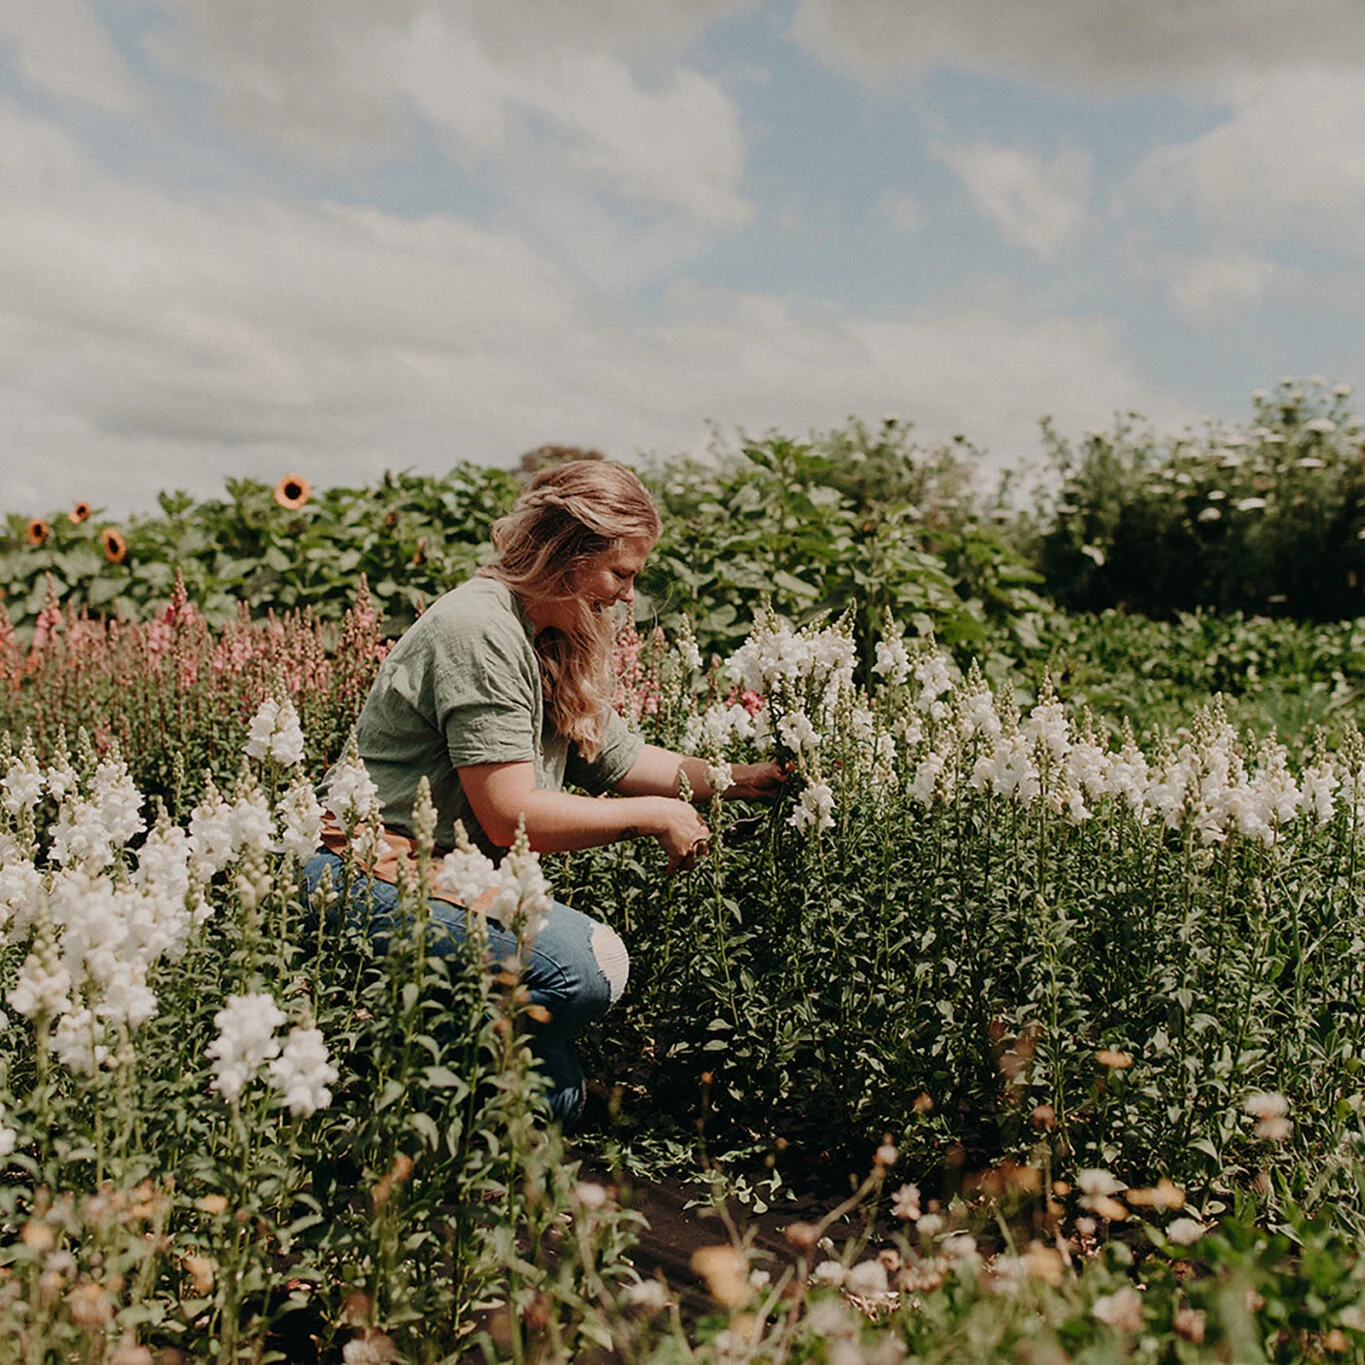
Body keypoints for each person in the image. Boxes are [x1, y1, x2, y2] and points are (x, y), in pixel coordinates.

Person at [302, 460, 785, 1126]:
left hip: (451, 876)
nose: (626, 598)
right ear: (565, 551)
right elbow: (509, 816)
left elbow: (618, 758)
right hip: (370, 870)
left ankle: (427, 1074)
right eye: (621, 574)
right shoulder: (478, 628)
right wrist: (653, 816)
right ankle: (386, 1081)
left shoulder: (547, 632)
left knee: (551, 1099)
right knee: (578, 967)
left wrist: (744, 779)